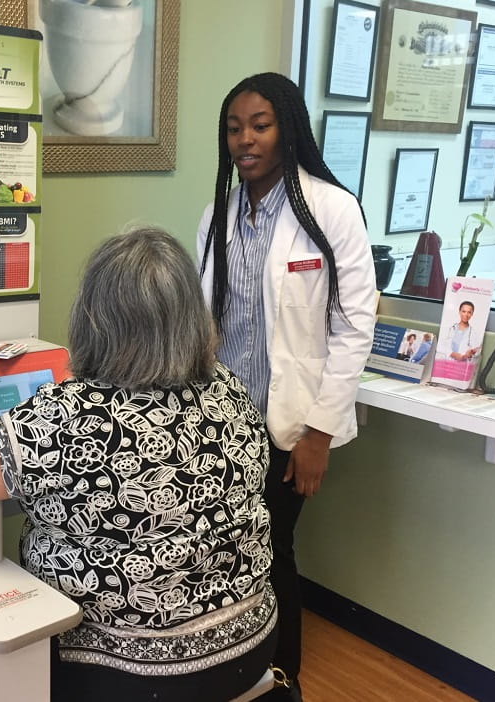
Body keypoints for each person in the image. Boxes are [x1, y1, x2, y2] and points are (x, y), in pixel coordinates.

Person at [0, 227, 277, 702]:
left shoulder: (67, 415)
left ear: (93, 320)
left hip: (129, 675)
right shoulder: (229, 388)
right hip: (250, 644)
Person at [196, 72, 377, 701]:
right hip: (219, 422)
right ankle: (227, 672)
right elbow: (203, 320)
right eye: (234, 128)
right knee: (223, 549)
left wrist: (318, 434)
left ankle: (282, 681)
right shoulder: (218, 213)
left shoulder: (332, 209)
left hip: (291, 426)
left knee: (272, 550)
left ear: (288, 128)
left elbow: (355, 326)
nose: (245, 140)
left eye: (260, 125)